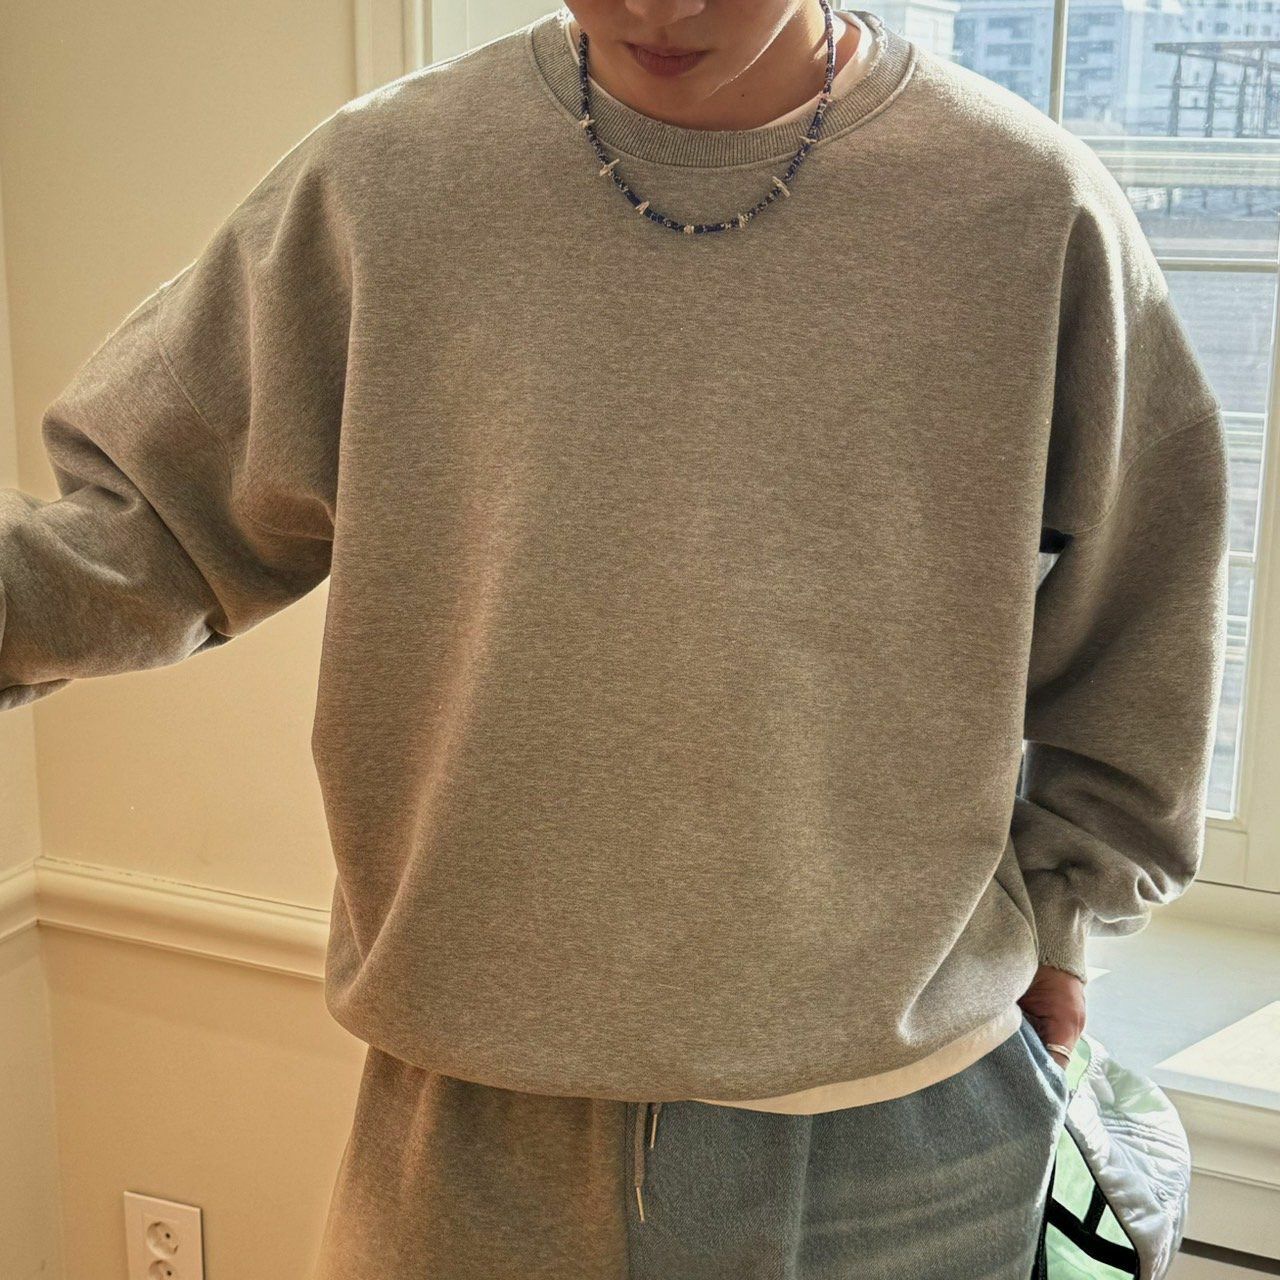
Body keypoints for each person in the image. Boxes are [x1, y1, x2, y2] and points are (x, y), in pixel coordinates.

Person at [5, 1, 1229, 1276]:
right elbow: (143, 535)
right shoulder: (388, 181)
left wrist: (1066, 919)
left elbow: (1143, 607)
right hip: (476, 1129)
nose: (657, 6)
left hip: (907, 1142)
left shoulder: (1022, 207)